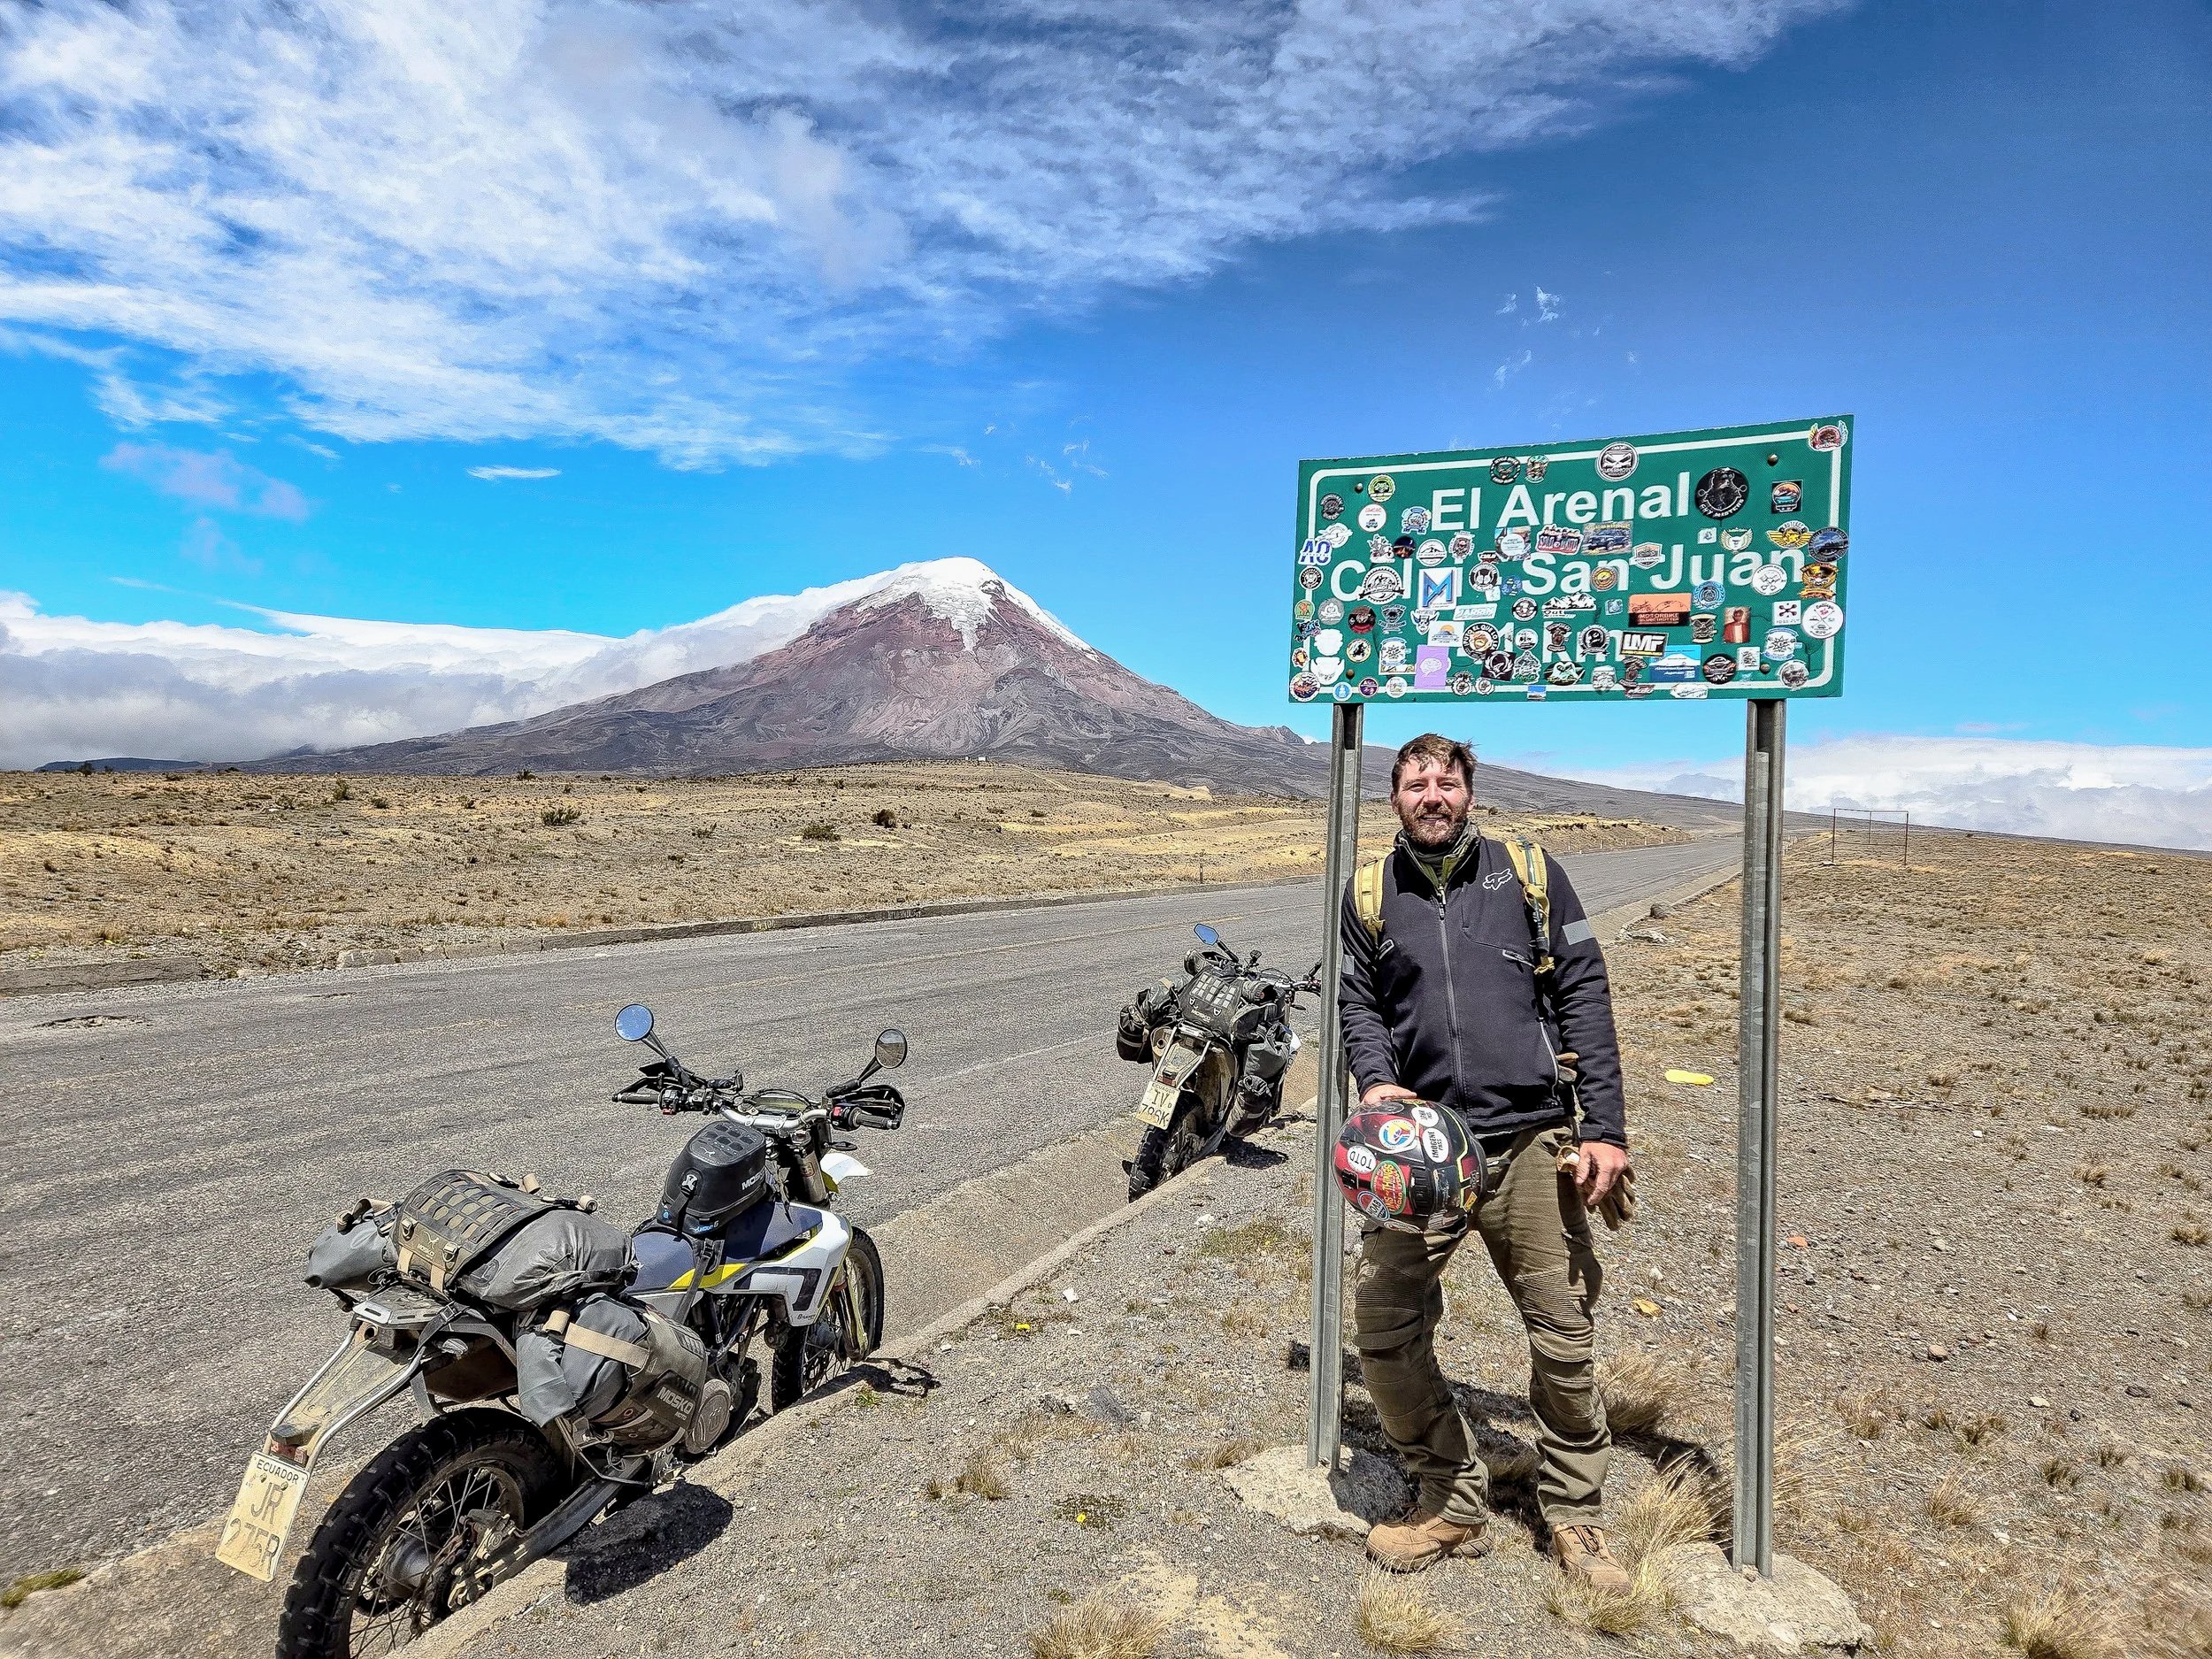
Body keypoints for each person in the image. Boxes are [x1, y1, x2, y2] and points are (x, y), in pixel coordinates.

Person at [1338, 733, 1632, 1586]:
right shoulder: (1370, 891)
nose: (1432, 795)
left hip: (1533, 1137)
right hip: (1421, 1152)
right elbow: (1361, 1003)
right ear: (1394, 797)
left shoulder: (1529, 874)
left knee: (1563, 1336)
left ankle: (1576, 1516)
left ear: (1471, 792)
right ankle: (1451, 1499)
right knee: (1385, 1331)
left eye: (1447, 781)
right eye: (1416, 782)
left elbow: (1583, 991)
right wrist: (1376, 1081)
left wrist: (1604, 1127)